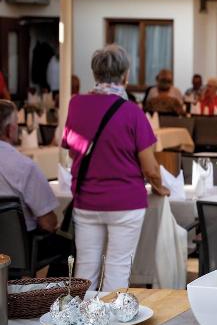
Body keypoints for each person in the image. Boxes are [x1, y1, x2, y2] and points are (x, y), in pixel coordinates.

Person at [62, 44, 169, 291]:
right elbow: (150, 167)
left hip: (86, 199)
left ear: (94, 73)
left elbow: (72, 151)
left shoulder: (76, 104)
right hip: (126, 203)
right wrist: (159, 186)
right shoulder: (132, 112)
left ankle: (83, 313)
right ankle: (112, 314)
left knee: (85, 269)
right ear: (125, 75)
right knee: (118, 267)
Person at [0, 99, 69, 275]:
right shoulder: (23, 166)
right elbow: (48, 222)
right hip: (19, 250)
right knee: (68, 245)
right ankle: (53, 292)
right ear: (9, 129)